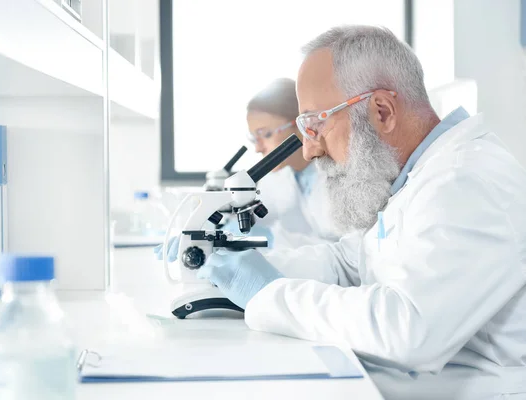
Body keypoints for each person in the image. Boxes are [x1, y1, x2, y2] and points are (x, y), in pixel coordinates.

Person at [197, 26, 526, 400]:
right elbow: (353, 261)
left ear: (381, 111)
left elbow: (407, 330)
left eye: (315, 125)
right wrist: (242, 269)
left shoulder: (467, 182)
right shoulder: (414, 177)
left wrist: (268, 294)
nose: (309, 151)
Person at [224, 77, 339, 246]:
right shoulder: (280, 177)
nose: (258, 148)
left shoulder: (340, 172)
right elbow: (258, 219)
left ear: (302, 125)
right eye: (254, 138)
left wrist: (273, 243)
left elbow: (348, 252)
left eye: (265, 134)